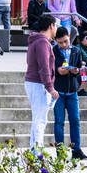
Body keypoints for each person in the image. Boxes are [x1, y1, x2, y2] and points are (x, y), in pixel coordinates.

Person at [51, 25, 86, 159]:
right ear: (56, 41)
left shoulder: (76, 50)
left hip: (72, 91)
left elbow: (78, 67)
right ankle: (60, 152)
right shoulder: (53, 51)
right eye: (60, 42)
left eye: (66, 41)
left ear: (69, 38)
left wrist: (76, 71)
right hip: (58, 92)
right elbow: (52, 69)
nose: (64, 45)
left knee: (75, 121)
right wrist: (59, 71)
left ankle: (76, 150)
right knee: (59, 122)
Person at [24, 13, 58, 151]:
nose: (56, 28)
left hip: (33, 83)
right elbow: (44, 66)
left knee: (37, 119)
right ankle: (37, 153)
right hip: (38, 84)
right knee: (40, 121)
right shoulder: (43, 42)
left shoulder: (36, 41)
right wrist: (50, 87)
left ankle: (34, 150)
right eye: (56, 25)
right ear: (51, 26)